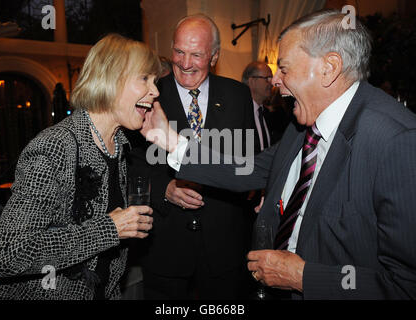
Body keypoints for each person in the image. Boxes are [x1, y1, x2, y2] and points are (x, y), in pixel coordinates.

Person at [143, 9, 416, 299]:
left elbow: (404, 284)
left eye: (284, 69)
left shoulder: (396, 141)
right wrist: (172, 141)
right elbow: (247, 170)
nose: (276, 82)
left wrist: (304, 277)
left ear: (329, 67)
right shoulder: (304, 126)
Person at [0, 34, 158, 300]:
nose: (155, 91)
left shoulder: (119, 145)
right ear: (112, 79)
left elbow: (107, 264)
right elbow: (10, 253)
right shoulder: (56, 146)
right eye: (145, 78)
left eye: (155, 81)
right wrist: (108, 229)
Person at [138, 14, 256, 300]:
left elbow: (247, 163)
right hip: (166, 245)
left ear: (214, 56)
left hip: (224, 245)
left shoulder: (238, 95)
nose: (185, 63)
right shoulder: (149, 95)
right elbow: (132, 165)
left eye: (196, 55)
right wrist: (163, 190)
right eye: (179, 52)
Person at [242, 61, 274, 153]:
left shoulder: (268, 114)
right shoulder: (239, 114)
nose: (271, 83)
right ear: (251, 81)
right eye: (267, 78)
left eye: (271, 78)